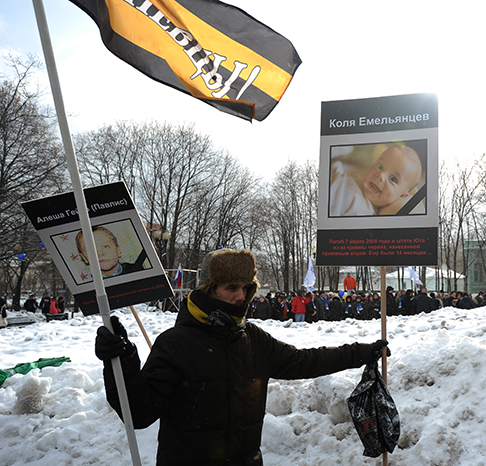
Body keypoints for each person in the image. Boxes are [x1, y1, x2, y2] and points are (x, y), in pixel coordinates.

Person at [95, 249, 389, 466]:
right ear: (210, 290)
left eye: (246, 287)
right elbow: (140, 412)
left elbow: (305, 361)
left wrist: (362, 352)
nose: (241, 296)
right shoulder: (176, 344)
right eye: (231, 287)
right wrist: (120, 362)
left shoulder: (253, 338)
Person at [329, 144, 424, 216]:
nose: (381, 175)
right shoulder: (356, 176)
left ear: (402, 196)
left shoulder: (362, 213)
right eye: (380, 166)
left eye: (393, 179)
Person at [75, 226, 147, 278]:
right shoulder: (89, 282)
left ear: (118, 250)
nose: (100, 253)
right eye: (91, 250)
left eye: (106, 247)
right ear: (84, 258)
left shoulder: (136, 270)